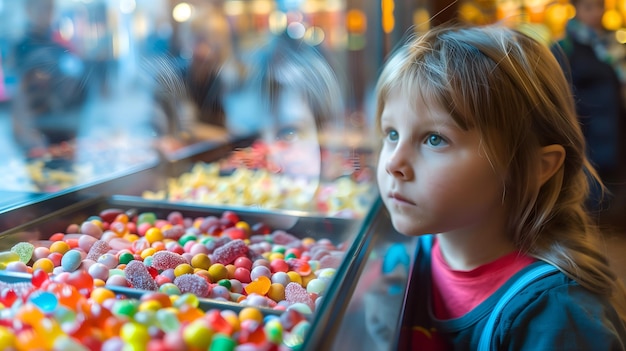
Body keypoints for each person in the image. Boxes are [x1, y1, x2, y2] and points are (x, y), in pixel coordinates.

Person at [374, 24, 626, 350]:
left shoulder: (556, 320)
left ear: (537, 167)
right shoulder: (413, 253)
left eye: (435, 139)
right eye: (391, 134)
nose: (394, 163)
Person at [551, 0, 626, 220]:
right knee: (590, 195)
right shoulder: (564, 47)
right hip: (587, 131)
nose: (596, 13)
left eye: (599, 6)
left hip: (617, 129)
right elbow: (560, 93)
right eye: (589, 7)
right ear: (576, 9)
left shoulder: (614, 42)